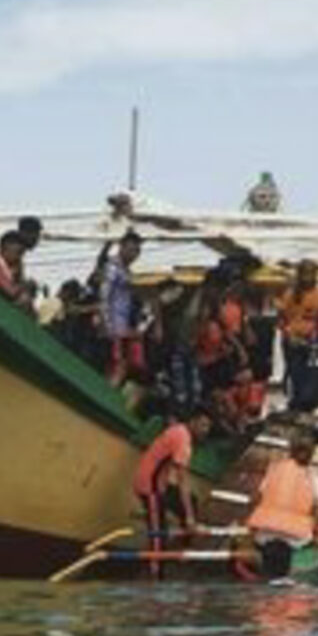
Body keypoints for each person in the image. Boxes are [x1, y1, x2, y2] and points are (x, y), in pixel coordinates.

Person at [133, 408, 212, 575]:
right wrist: (190, 518)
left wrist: (189, 515)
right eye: (202, 425)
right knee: (158, 534)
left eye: (207, 427)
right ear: (193, 422)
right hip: (150, 487)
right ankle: (155, 574)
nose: (205, 430)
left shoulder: (179, 431)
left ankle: (181, 548)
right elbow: (182, 481)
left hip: (160, 484)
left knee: (192, 502)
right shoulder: (182, 439)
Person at [247, 430, 318, 584]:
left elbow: (254, 500)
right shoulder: (314, 478)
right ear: (312, 453)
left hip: (265, 533)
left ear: (290, 450)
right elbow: (317, 513)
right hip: (295, 536)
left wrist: (251, 528)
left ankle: (268, 575)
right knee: (308, 542)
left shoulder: (273, 470)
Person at [277, 259, 318, 407]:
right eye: (305, 273)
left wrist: (316, 337)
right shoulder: (290, 294)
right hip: (292, 343)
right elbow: (282, 320)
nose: (308, 277)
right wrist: (290, 336)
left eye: (311, 273)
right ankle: (296, 405)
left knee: (312, 378)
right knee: (295, 376)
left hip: (313, 343)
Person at [97, 230, 146, 385]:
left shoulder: (127, 272)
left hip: (122, 326)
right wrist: (106, 323)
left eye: (137, 251)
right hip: (112, 325)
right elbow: (104, 296)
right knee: (113, 365)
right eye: (131, 249)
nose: (134, 254)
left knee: (121, 365)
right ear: (122, 247)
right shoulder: (112, 267)